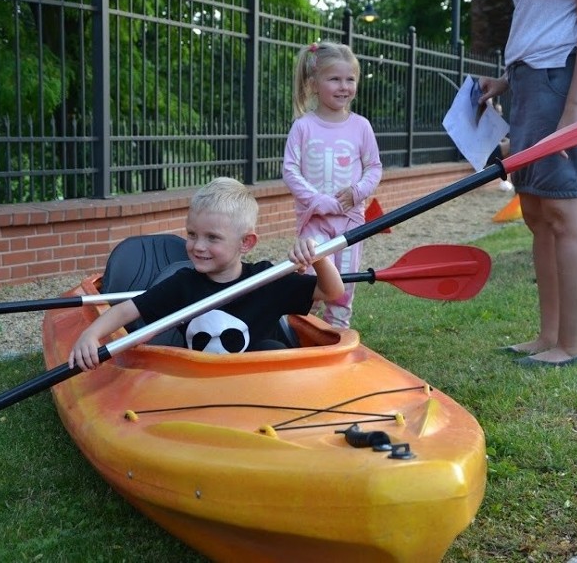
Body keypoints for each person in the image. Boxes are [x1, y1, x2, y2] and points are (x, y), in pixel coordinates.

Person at [477, 0, 577, 368]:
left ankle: (573, 346)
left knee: (565, 211)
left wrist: (574, 110)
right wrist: (508, 81)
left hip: (571, 78)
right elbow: (545, 19)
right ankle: (549, 336)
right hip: (535, 80)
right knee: (538, 213)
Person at [68, 177, 345, 370]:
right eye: (192, 235)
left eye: (212, 238)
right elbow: (127, 310)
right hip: (201, 385)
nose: (198, 246)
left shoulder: (267, 280)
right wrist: (91, 335)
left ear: (246, 243)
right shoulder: (182, 285)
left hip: (259, 384)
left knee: (273, 347)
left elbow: (332, 291)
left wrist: (318, 257)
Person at [282, 41, 383, 329]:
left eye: (350, 79)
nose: (344, 86)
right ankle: (299, 332)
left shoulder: (360, 126)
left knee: (344, 284)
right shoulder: (303, 126)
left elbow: (373, 167)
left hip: (351, 222)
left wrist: (358, 192)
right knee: (309, 280)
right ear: (314, 84)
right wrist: (318, 200)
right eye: (334, 79)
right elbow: (290, 169)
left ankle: (338, 333)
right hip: (314, 221)